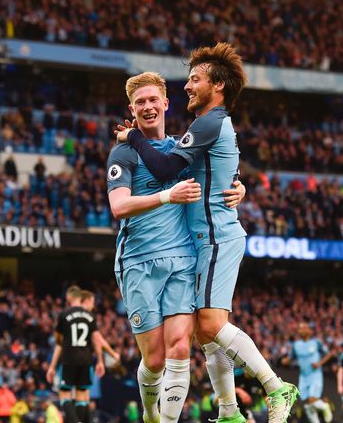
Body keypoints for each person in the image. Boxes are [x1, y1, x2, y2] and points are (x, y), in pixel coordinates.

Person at [116, 43, 298, 423]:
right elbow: (207, 167)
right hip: (187, 244)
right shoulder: (203, 129)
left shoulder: (208, 122)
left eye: (195, 79)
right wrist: (237, 183)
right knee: (202, 333)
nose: (188, 86)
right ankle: (229, 411)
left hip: (214, 237)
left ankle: (275, 386)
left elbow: (168, 168)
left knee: (210, 326)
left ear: (216, 85)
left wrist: (132, 137)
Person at [108, 71, 246, 423]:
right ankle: (151, 413)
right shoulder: (123, 151)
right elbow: (119, 206)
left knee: (181, 348)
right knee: (153, 361)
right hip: (138, 261)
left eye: (154, 100)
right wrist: (166, 196)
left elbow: (221, 168)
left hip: (182, 258)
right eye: (141, 102)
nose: (148, 106)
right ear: (132, 108)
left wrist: (239, 186)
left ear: (166, 104)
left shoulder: (180, 146)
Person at [46, 286, 105, 423]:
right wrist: (100, 361)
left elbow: (58, 342)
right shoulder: (90, 316)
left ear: (68, 299)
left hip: (69, 359)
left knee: (64, 394)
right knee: (82, 395)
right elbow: (97, 340)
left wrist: (52, 366)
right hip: (86, 360)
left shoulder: (64, 315)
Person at [284, 322, 334, 423]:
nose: (301, 330)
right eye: (300, 328)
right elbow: (290, 358)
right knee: (307, 403)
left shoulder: (316, 343)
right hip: (303, 376)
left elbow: (329, 354)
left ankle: (325, 406)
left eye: (304, 328)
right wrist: (285, 360)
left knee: (312, 399)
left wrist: (319, 363)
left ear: (309, 331)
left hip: (315, 375)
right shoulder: (296, 345)